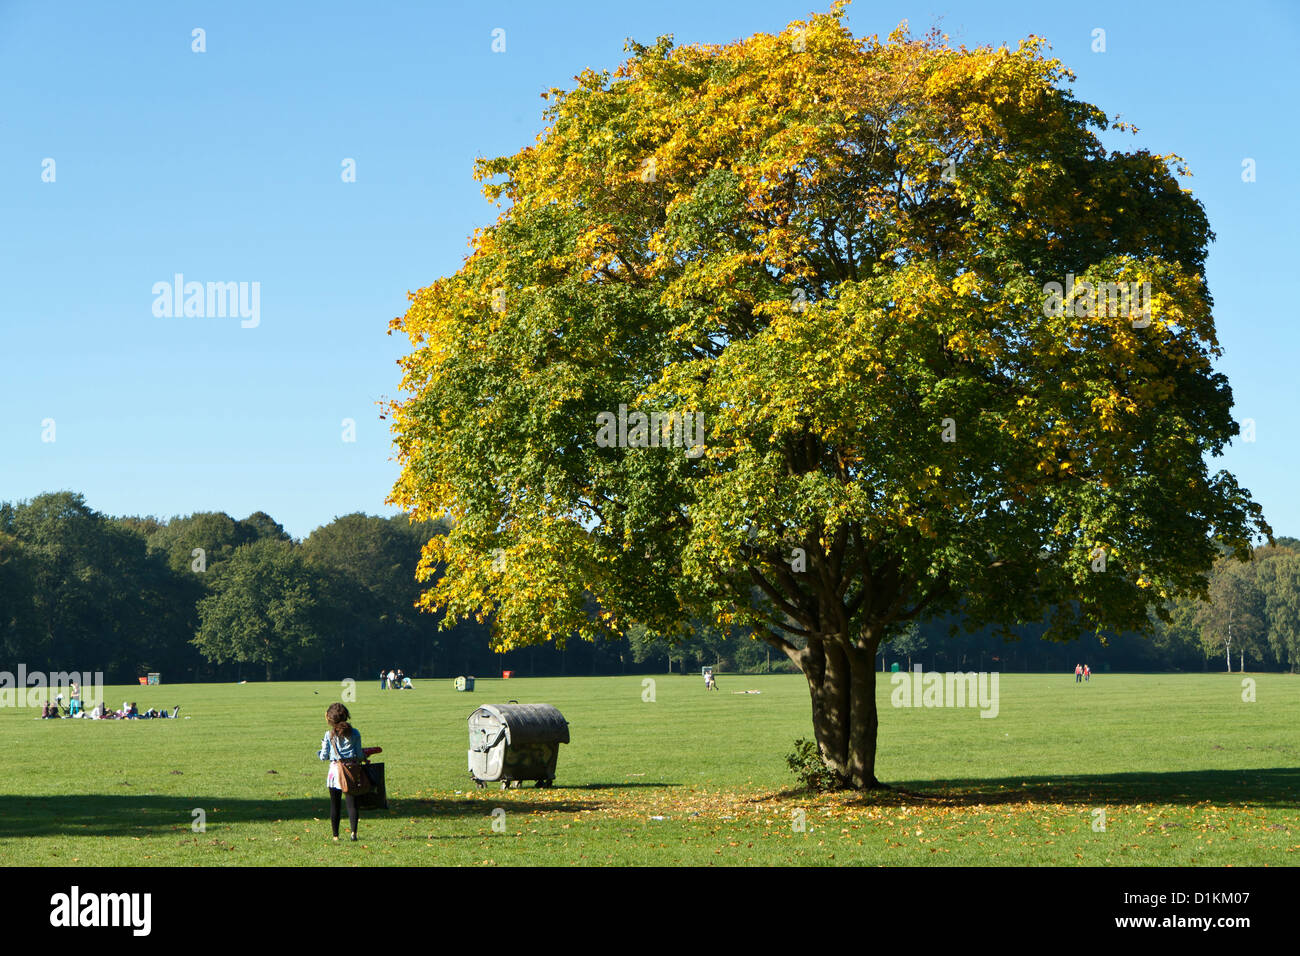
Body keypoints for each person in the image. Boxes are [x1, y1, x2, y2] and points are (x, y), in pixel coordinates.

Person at [318, 702, 364, 842]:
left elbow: (323, 757)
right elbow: (360, 755)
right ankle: (353, 833)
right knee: (352, 803)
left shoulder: (329, 734)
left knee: (335, 804)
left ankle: (336, 835)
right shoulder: (355, 733)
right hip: (351, 770)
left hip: (335, 771)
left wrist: (320, 750)